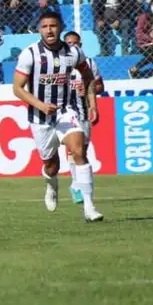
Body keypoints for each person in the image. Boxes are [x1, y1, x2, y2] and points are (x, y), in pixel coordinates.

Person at [12, 10, 102, 222]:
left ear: (60, 27)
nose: (49, 30)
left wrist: (92, 102)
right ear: (39, 29)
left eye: (53, 26)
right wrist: (41, 105)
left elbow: (88, 77)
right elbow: (17, 88)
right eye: (44, 26)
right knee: (52, 166)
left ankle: (89, 207)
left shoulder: (73, 53)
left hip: (65, 111)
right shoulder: (30, 54)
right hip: (40, 117)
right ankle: (51, 186)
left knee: (79, 151)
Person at [63, 31, 104, 206]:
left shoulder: (89, 64)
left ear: (80, 45)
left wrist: (89, 90)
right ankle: (76, 185)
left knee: (82, 151)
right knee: (74, 148)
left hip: (83, 110)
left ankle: (75, 185)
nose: (73, 46)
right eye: (69, 43)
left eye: (76, 43)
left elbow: (99, 86)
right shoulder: (58, 64)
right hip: (66, 111)